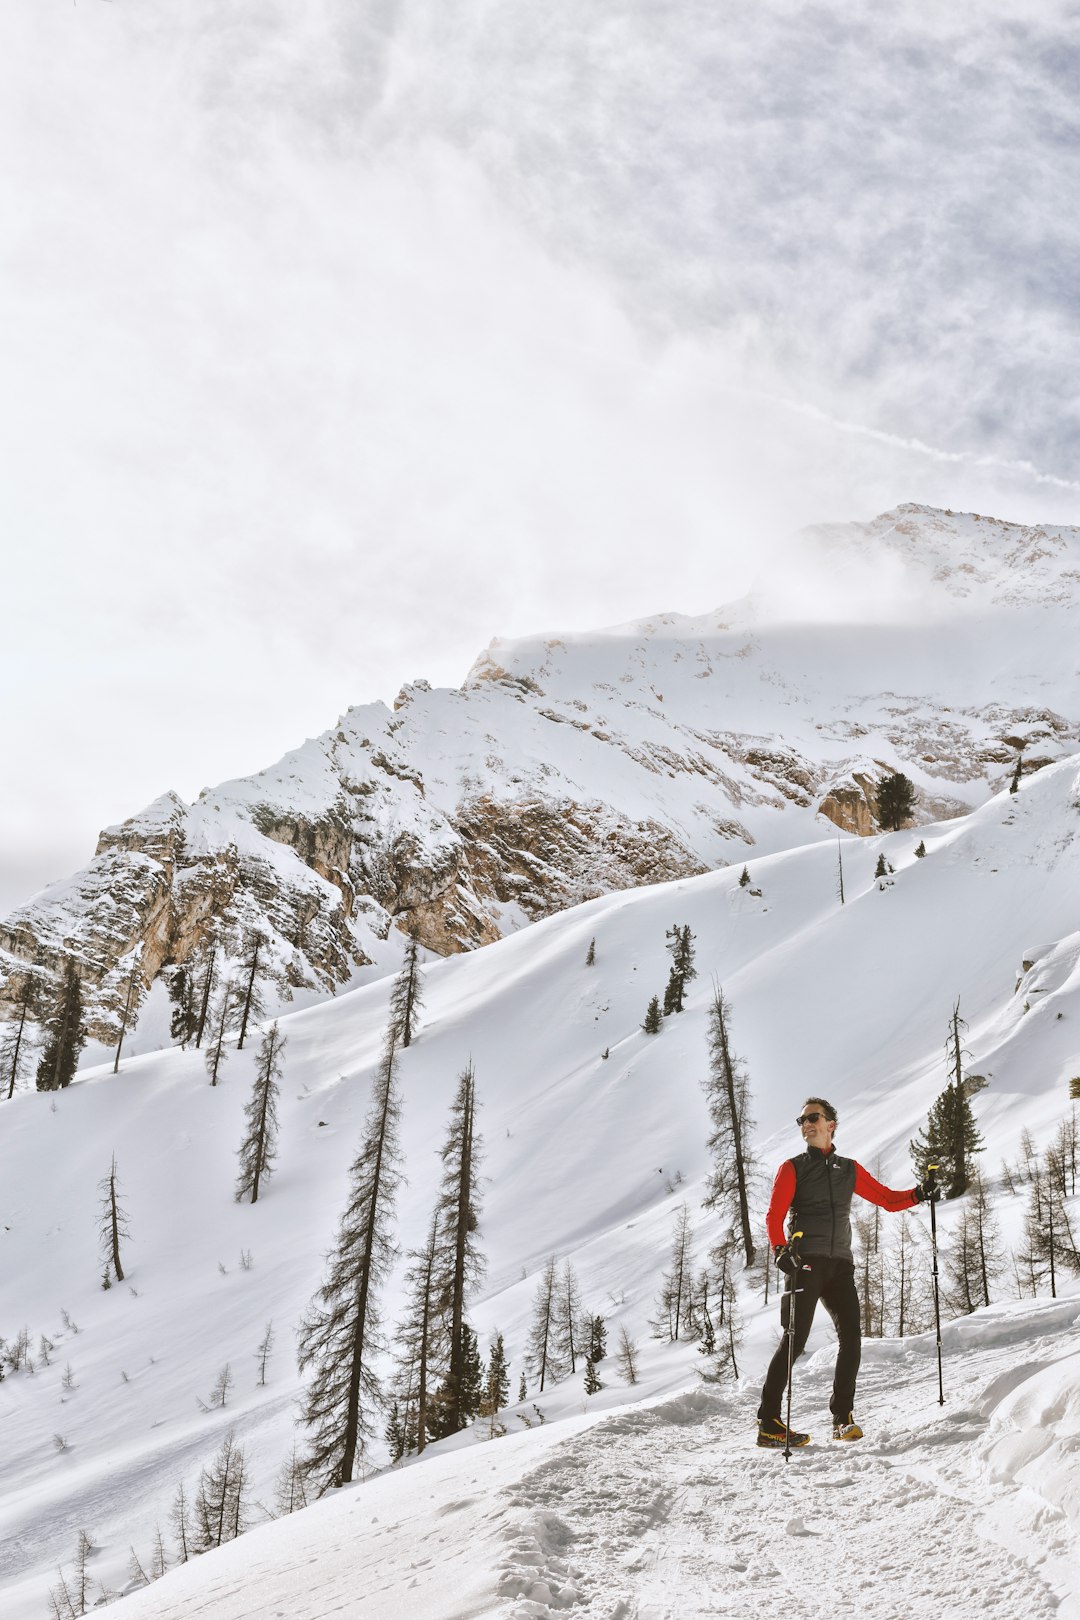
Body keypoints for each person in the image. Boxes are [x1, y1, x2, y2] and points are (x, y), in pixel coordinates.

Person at [756, 1096, 933, 1449]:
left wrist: (919, 1193)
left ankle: (842, 1418)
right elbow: (773, 1218)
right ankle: (769, 1422)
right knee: (795, 1339)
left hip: (840, 1264)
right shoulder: (792, 1168)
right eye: (801, 1120)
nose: (806, 1124)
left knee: (851, 1336)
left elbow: (887, 1199)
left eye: (813, 1118)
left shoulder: (848, 1169)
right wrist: (781, 1251)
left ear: (831, 1124)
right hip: (804, 1262)